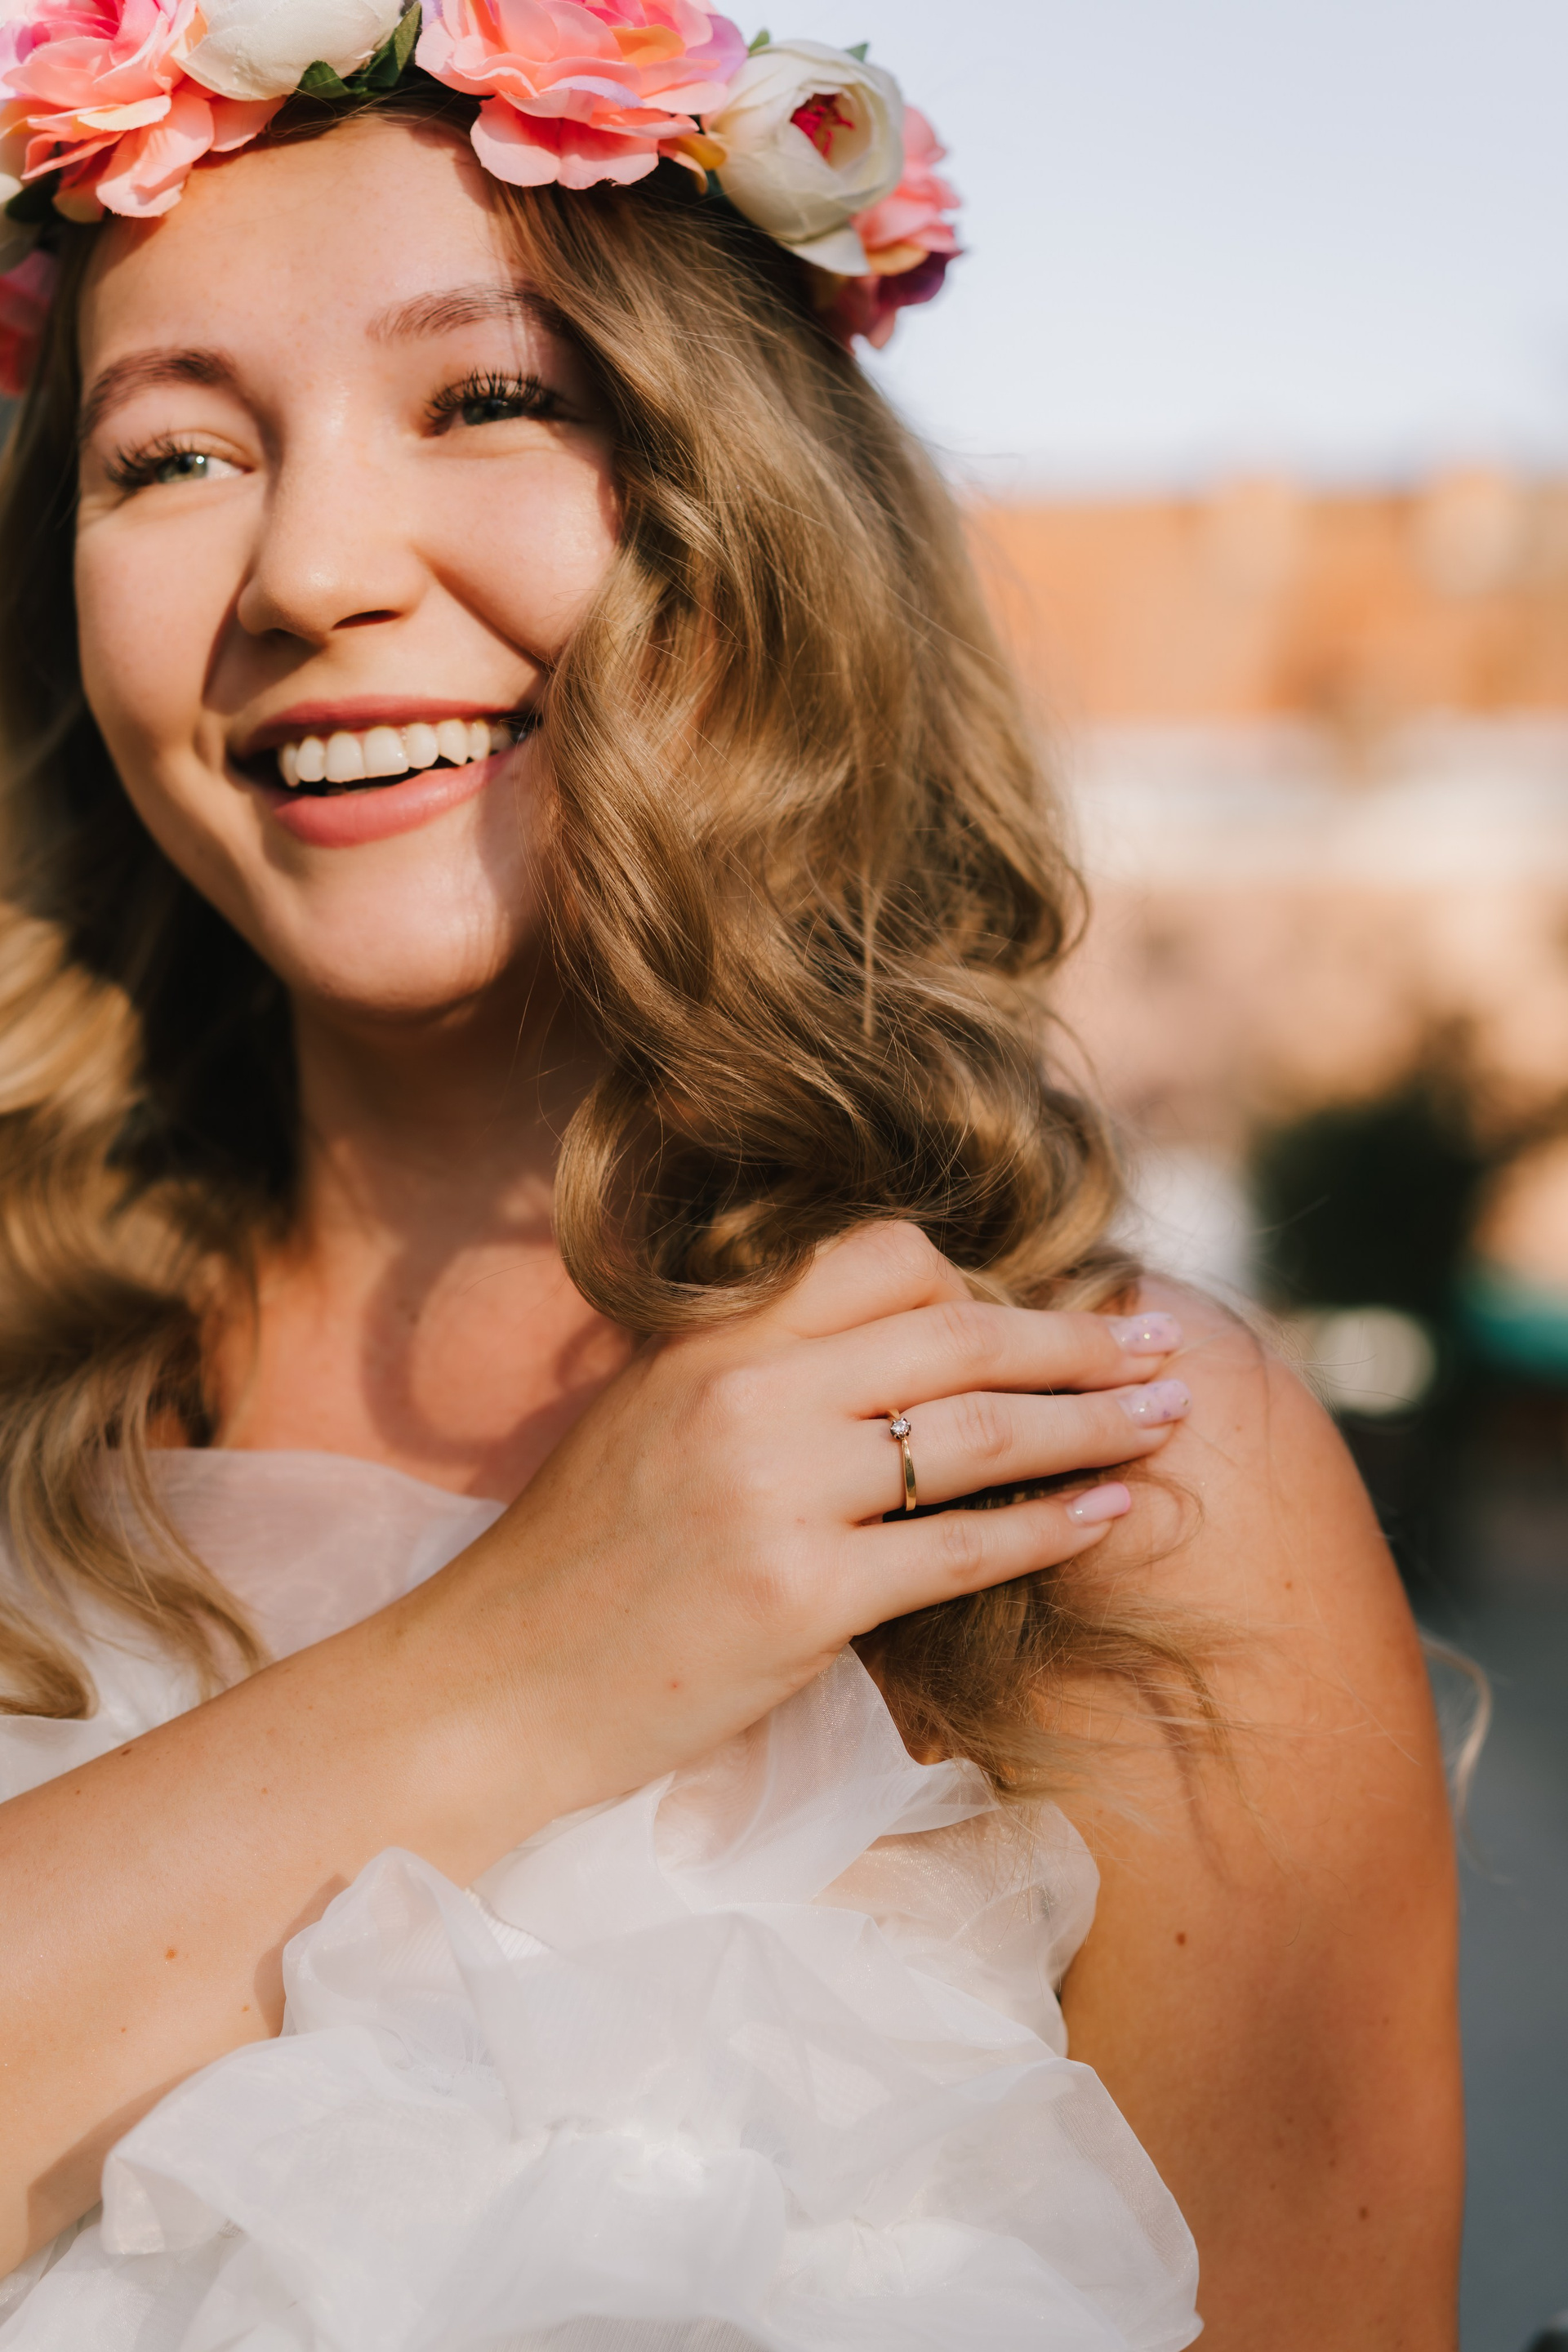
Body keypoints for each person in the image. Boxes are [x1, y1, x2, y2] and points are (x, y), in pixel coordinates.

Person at [0, 7, 1460, 2345]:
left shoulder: (1118, 1476)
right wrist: (524, 1662)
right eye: (169, 454)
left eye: (491, 398)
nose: (312, 572)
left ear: (751, 516)